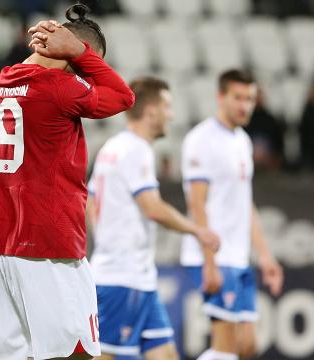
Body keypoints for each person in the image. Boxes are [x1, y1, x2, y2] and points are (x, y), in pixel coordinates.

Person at [0, 4, 135, 360]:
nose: (90, 72)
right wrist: (80, 52)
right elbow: (124, 96)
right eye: (88, 62)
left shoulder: (0, 81)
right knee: (76, 353)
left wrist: (51, 47)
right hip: (47, 238)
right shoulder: (61, 88)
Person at [86, 77, 220, 360]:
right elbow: (153, 208)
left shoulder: (111, 147)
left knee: (167, 355)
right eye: (166, 107)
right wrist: (197, 230)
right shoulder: (137, 150)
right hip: (121, 280)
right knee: (106, 356)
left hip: (137, 277)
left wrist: (106, 240)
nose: (170, 115)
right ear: (150, 111)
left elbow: (90, 202)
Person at [180, 70, 284, 360]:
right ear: (220, 97)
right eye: (238, 97)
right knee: (226, 346)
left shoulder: (242, 140)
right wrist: (209, 262)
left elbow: (244, 202)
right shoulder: (201, 139)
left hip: (238, 257)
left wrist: (265, 255)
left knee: (247, 346)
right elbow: (197, 204)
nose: (245, 105)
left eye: (250, 98)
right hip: (215, 255)